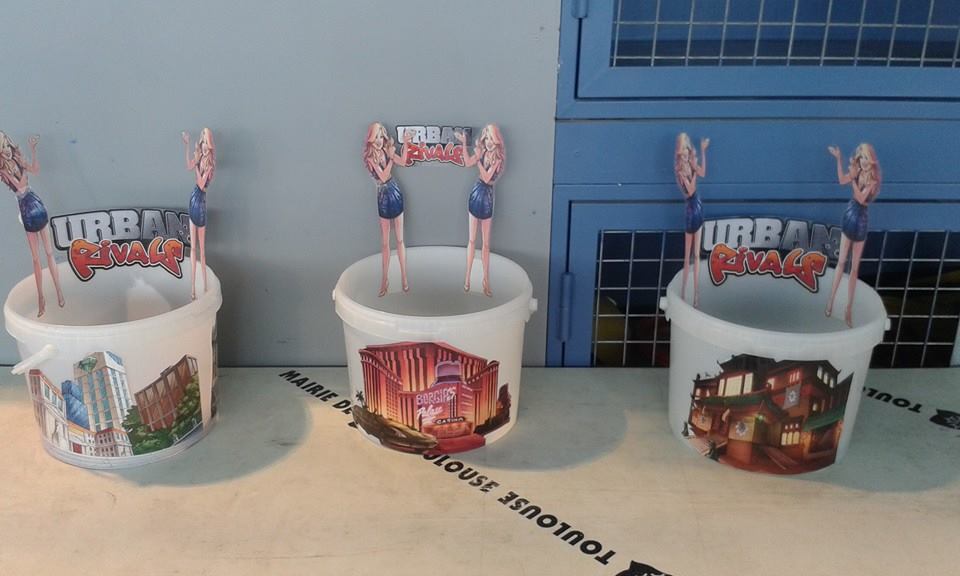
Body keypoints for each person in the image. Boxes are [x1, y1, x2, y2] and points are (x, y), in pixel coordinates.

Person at [0, 132, 64, 317]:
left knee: (49, 252)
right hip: (26, 209)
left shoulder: (18, 160)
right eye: (2, 149)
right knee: (36, 258)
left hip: (36, 204)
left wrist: (33, 152)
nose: (6, 150)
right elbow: (20, 186)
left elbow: (35, 169)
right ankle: (41, 297)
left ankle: (59, 290)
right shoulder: (4, 171)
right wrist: (23, 167)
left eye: (6, 146)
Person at [825, 143, 881, 327]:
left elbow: (861, 198)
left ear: (871, 160)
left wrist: (854, 178)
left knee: (854, 268)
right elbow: (842, 180)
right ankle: (831, 300)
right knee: (841, 261)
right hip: (850, 214)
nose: (863, 161)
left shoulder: (873, 181)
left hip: (861, 219)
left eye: (866, 158)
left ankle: (848, 308)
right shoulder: (857, 173)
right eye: (861, 157)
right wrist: (839, 160)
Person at [363, 123, 412, 296]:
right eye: (376, 136)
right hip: (383, 196)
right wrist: (391, 158)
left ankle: (404, 277)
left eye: (380, 136)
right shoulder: (371, 158)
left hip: (394, 191)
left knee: (400, 239)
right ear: (371, 139)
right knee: (385, 242)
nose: (378, 140)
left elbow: (403, 161)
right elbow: (383, 176)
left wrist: (406, 143)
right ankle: (384, 280)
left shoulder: (386, 150)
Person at [457, 124, 505, 297]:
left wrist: (478, 160)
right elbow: (467, 162)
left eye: (492, 138)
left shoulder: (498, 159)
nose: (489, 142)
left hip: (487, 196)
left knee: (485, 243)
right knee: (471, 240)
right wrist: (464, 144)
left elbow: (486, 177)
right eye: (487, 138)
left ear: (497, 141)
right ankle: (467, 277)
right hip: (476, 193)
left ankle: (485, 280)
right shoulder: (482, 152)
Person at [675, 133, 709, 308]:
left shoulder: (691, 166)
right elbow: (689, 191)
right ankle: (683, 292)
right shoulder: (680, 173)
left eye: (687, 152)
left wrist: (703, 152)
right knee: (687, 255)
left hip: (698, 206)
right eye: (684, 153)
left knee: (696, 254)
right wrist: (693, 173)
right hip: (690, 209)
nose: (686, 156)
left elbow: (703, 172)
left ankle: (696, 294)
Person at [182, 128, 216, 300]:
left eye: (206, 142)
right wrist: (187, 146)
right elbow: (188, 166)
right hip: (193, 199)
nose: (204, 146)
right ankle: (193, 289)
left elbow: (202, 184)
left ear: (209, 146)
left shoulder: (210, 166)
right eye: (202, 141)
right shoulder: (200, 158)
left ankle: (205, 286)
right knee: (193, 248)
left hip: (201, 202)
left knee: (202, 250)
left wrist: (197, 165)